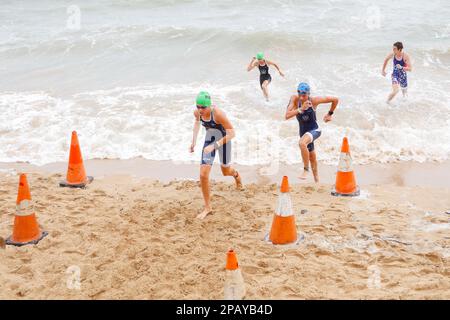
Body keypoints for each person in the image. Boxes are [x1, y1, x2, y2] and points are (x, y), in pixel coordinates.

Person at [190, 91, 242, 219]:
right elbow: (197, 123)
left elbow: (232, 134)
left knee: (226, 171)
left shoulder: (218, 114)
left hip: (223, 141)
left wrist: (215, 146)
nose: (200, 110)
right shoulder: (197, 113)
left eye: (203, 107)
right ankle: (208, 208)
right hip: (210, 140)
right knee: (203, 174)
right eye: (198, 106)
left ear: (209, 105)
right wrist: (194, 142)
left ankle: (236, 176)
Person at [285, 82, 338, 182]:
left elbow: (335, 99)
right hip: (304, 133)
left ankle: (305, 169)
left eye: (304, 95)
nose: (301, 97)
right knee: (312, 157)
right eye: (299, 93)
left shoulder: (314, 101)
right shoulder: (294, 99)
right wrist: (301, 109)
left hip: (314, 130)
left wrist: (329, 114)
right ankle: (317, 181)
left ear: (308, 94)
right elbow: (287, 115)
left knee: (301, 143)